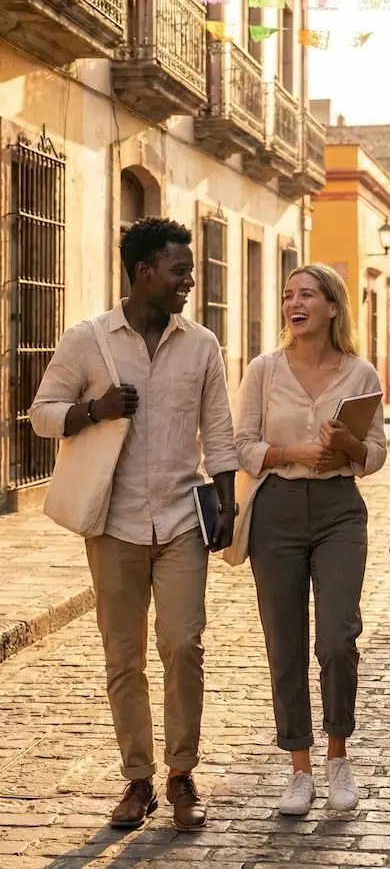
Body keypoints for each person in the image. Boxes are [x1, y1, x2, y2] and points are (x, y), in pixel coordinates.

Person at [30, 218, 238, 832]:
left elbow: (220, 432)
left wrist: (226, 503)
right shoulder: (88, 340)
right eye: (180, 270)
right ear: (145, 271)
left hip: (180, 519)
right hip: (112, 523)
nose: (190, 281)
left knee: (183, 644)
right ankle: (138, 780)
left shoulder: (202, 344)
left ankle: (181, 774)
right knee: (124, 656)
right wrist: (94, 410)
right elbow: (41, 415)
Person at [234, 264, 386, 817]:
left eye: (307, 295)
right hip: (275, 509)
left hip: (339, 511)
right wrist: (291, 454)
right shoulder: (264, 370)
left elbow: (374, 457)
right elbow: (240, 445)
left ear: (331, 307)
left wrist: (347, 444)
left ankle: (338, 756)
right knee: (285, 642)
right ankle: (299, 767)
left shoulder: (360, 372)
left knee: (338, 638)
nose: (294, 303)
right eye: (287, 295)